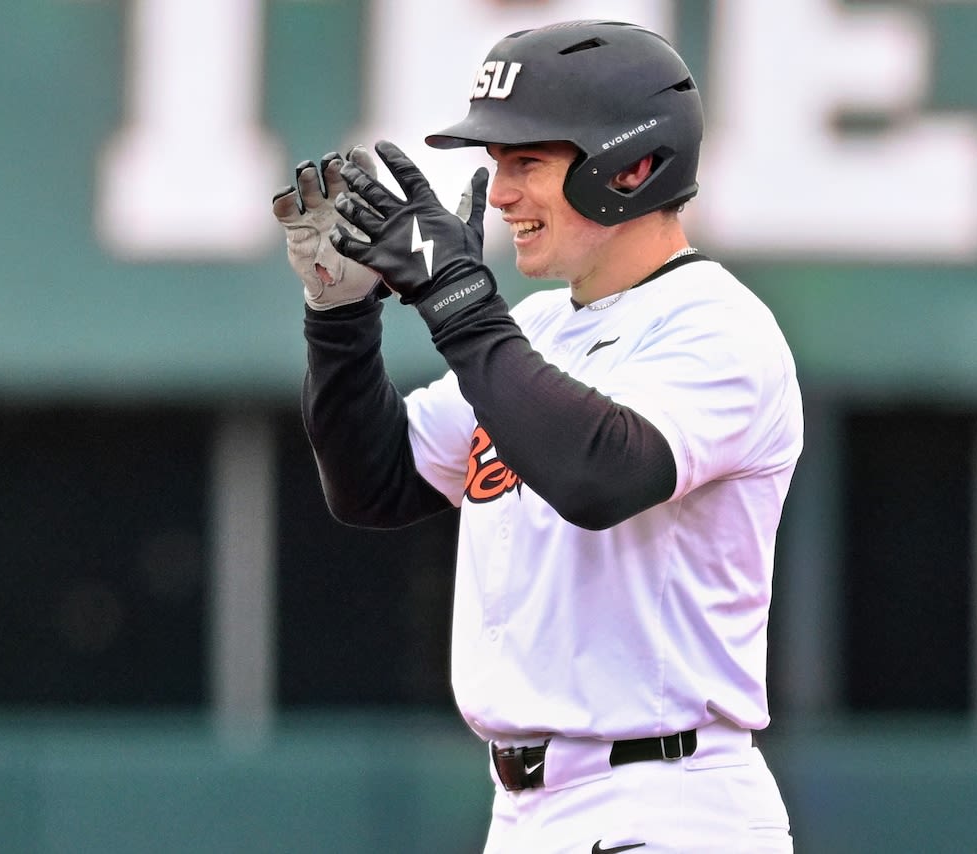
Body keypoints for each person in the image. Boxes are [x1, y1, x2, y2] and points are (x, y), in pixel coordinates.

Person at [273, 19, 802, 853]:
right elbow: (374, 484)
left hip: (665, 805)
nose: (503, 192)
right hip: (527, 814)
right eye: (497, 167)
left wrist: (454, 299)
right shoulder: (542, 327)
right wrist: (339, 322)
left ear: (629, 167)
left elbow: (599, 477)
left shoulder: (721, 327)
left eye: (528, 162)